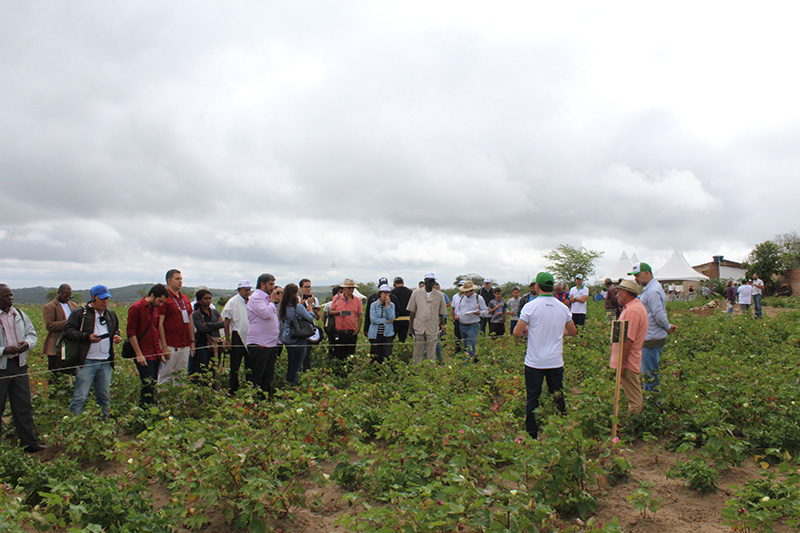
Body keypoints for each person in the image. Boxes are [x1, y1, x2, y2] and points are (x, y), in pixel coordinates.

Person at [513, 272, 577, 440]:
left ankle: (532, 434)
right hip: (555, 361)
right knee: (558, 395)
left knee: (533, 398)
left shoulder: (530, 306)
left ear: (538, 287)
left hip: (534, 362)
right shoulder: (563, 307)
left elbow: (517, 332)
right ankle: (563, 429)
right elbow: (573, 332)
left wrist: (529, 330)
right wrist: (558, 331)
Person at [64, 285, 122, 417]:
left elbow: (115, 329)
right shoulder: (80, 313)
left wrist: (115, 336)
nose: (105, 301)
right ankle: (74, 424)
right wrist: (87, 337)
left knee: (104, 396)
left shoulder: (110, 314)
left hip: (105, 362)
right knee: (80, 396)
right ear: (93, 298)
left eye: (106, 298)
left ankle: (105, 424)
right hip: (87, 361)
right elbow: (68, 331)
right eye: (102, 299)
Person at [0, 284, 45, 452]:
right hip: (1, 368)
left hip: (19, 366)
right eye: (6, 296)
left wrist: (27, 344)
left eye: (11, 295)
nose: (10, 299)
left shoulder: (19, 314)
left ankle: (29, 444)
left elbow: (32, 334)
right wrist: (4, 350)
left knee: (23, 405)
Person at [630, 262, 677, 392]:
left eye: (638, 275)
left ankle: (654, 404)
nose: (636, 279)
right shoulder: (651, 289)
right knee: (650, 372)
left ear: (647, 273)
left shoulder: (652, 291)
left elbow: (659, 315)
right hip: (651, 335)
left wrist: (667, 326)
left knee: (650, 374)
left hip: (652, 337)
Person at [609, 280, 648, 415]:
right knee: (631, 393)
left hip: (628, 361)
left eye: (618, 292)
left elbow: (628, 341)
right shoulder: (632, 308)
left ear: (626, 293)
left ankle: (634, 424)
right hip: (627, 359)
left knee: (634, 398)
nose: (617, 295)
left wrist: (622, 363)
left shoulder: (633, 311)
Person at [128, 284, 169, 406]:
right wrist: (139, 354)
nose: (160, 304)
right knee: (147, 385)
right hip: (144, 354)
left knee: (153, 384)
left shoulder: (154, 309)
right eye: (159, 301)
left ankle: (150, 410)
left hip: (155, 353)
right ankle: (144, 412)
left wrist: (159, 351)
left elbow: (155, 331)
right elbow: (131, 333)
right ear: (152, 295)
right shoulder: (136, 308)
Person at [157, 269, 194, 384]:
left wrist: (192, 341)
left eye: (181, 279)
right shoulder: (164, 299)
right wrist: (163, 345)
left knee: (182, 374)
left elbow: (190, 321)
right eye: (177, 279)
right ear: (169, 280)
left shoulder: (185, 299)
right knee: (166, 374)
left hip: (185, 343)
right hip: (170, 343)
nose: (180, 282)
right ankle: (164, 400)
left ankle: (180, 401)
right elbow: (160, 324)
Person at [246, 273, 280, 400]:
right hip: (260, 343)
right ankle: (255, 399)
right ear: (262, 284)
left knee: (268, 375)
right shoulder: (256, 298)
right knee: (258, 375)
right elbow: (266, 314)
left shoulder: (266, 298)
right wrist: (271, 301)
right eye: (270, 284)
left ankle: (266, 398)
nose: (272, 288)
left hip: (270, 343)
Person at [278, 283, 315, 387]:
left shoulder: (283, 306)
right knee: (297, 365)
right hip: (298, 338)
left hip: (288, 337)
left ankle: (288, 383)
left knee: (291, 363)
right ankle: (294, 385)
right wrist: (310, 307)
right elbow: (310, 318)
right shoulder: (297, 307)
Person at [407, 273, 447, 365]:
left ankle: (430, 373)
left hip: (432, 327)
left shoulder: (440, 295)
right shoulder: (416, 293)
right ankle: (416, 372)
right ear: (425, 282)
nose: (430, 283)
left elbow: (442, 313)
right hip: (419, 326)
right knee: (418, 351)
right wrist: (410, 328)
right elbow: (412, 312)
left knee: (431, 352)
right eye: (429, 281)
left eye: (432, 281)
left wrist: (442, 325)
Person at [42, 283, 79, 383]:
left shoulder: (73, 305)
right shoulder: (50, 307)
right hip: (55, 345)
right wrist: (68, 322)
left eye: (69, 296)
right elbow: (50, 326)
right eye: (65, 295)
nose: (67, 298)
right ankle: (53, 395)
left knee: (70, 371)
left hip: (70, 345)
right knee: (55, 373)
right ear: (59, 293)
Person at [222, 280, 251, 394]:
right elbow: (226, 321)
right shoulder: (232, 302)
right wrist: (227, 340)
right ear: (240, 290)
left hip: (249, 336)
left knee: (250, 364)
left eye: (249, 289)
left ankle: (249, 387)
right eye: (245, 289)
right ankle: (233, 389)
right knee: (235, 365)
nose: (247, 292)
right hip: (236, 336)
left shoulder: (250, 301)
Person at [191, 288, 224, 383]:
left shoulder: (215, 312)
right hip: (202, 344)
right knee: (202, 369)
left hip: (215, 344)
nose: (208, 301)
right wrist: (215, 325)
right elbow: (201, 328)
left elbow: (223, 324)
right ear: (199, 300)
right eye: (206, 298)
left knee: (214, 369)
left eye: (210, 298)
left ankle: (213, 390)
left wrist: (208, 324)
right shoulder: (196, 314)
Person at [329, 279, 363, 360]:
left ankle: (349, 371)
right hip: (340, 331)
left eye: (352, 288)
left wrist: (358, 329)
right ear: (344, 288)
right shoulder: (337, 298)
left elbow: (360, 315)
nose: (351, 290)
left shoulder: (357, 300)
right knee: (339, 355)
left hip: (352, 332)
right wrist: (339, 313)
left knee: (350, 356)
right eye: (349, 288)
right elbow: (330, 312)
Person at [453, 281, 487, 363]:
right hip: (462, 325)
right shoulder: (462, 298)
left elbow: (486, 311)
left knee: (470, 346)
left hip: (473, 325)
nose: (465, 293)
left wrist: (479, 313)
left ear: (471, 290)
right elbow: (458, 311)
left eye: (467, 291)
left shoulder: (478, 298)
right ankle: (473, 359)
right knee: (465, 345)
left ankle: (468, 364)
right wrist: (457, 315)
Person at [367, 284, 396, 363]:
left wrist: (387, 306)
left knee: (387, 354)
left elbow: (392, 318)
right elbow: (373, 319)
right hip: (375, 334)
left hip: (387, 334)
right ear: (380, 294)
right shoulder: (374, 305)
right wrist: (385, 321)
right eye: (384, 293)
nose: (386, 295)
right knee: (375, 355)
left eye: (388, 293)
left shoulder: (392, 305)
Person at [298, 279, 321, 371]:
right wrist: (303, 304)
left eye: (309, 287)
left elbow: (317, 317)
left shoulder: (314, 300)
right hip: (301, 330)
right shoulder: (298, 299)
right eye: (305, 287)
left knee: (307, 355)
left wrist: (315, 311)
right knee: (300, 355)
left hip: (310, 329)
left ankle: (306, 372)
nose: (308, 289)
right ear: (301, 288)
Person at [391, 277, 413, 342]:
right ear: (403, 283)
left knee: (390, 339)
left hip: (395, 319)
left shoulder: (392, 292)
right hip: (407, 319)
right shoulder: (410, 292)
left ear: (395, 283)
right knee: (403, 340)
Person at [434, 282, 450, 362]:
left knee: (442, 331)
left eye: (438, 287)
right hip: (433, 319)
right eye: (435, 287)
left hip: (442, 317)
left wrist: (442, 306)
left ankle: (443, 344)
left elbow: (448, 303)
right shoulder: (432, 296)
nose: (437, 288)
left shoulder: (443, 295)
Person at [450, 284, 463, 354]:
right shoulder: (455, 296)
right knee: (457, 334)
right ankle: (458, 349)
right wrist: (453, 318)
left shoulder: (468, 296)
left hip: (465, 319)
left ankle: (465, 349)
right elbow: (453, 308)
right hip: (457, 318)